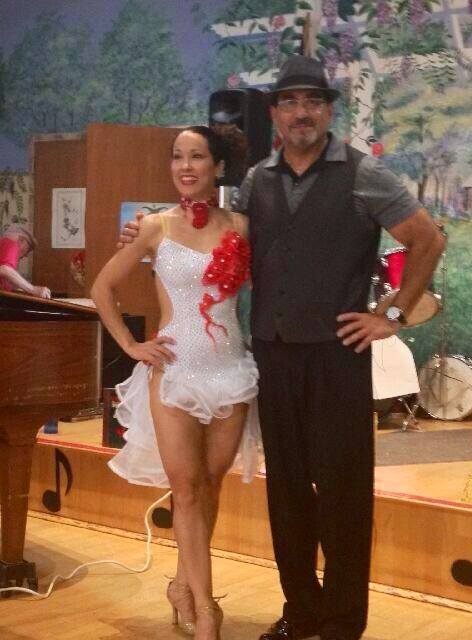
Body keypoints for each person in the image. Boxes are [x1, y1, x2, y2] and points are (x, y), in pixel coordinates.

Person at [119, 57, 444, 640]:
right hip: (272, 356)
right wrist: (146, 229)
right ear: (274, 114)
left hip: (338, 356)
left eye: (313, 101)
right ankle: (301, 611)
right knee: (287, 493)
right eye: (289, 102)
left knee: (343, 493)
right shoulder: (256, 182)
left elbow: (427, 238)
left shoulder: (365, 174)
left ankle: (341, 622)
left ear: (328, 111)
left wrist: (390, 315)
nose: (301, 112)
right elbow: (212, 232)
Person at [91, 125, 259, 640]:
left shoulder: (243, 226)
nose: (185, 166)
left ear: (218, 166)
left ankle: (183, 586)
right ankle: (207, 611)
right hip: (175, 371)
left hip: (231, 372)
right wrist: (130, 345)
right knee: (185, 490)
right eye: (178, 157)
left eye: (197, 157)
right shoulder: (153, 226)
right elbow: (102, 288)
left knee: (209, 486)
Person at [0, 225, 51, 298]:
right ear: (21, 240)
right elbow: (4, 269)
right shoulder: (11, 243)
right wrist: (33, 289)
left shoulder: (3, 245)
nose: (26, 255)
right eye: (29, 248)